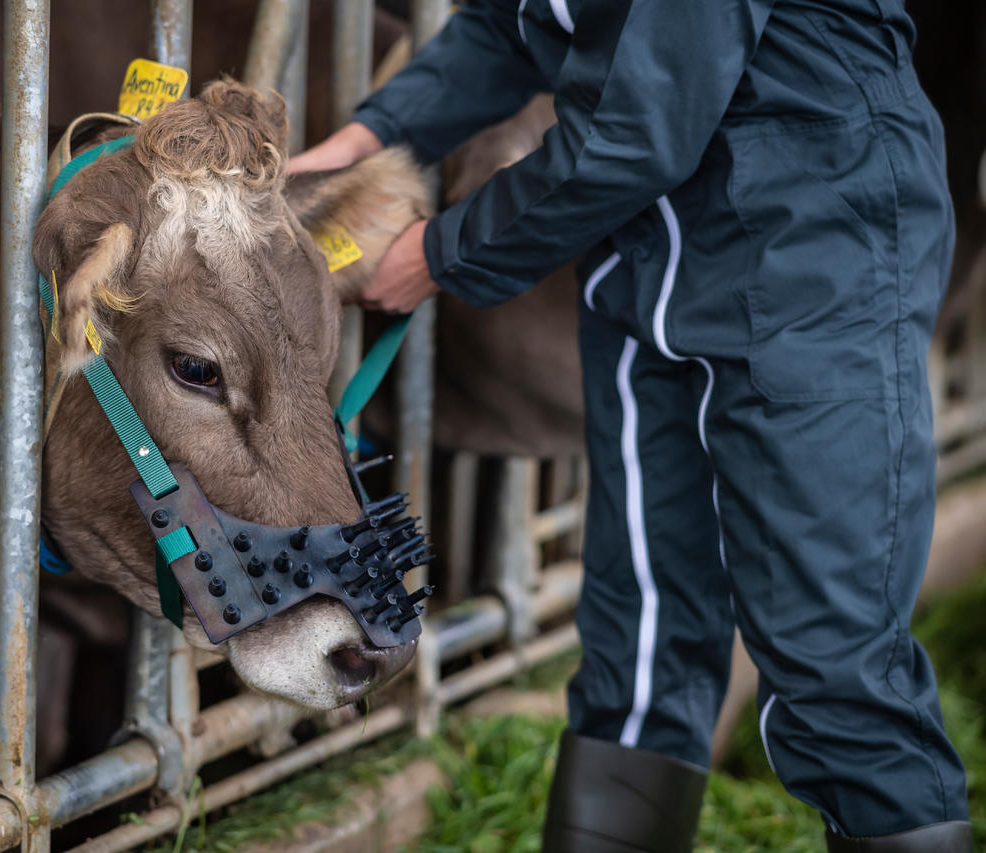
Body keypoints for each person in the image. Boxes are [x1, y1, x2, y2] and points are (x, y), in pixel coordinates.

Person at [288, 1, 971, 850]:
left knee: (832, 653)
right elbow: (513, 25)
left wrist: (439, 253)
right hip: (646, 261)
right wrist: (369, 138)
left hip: (813, 248)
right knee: (640, 633)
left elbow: (641, 124)